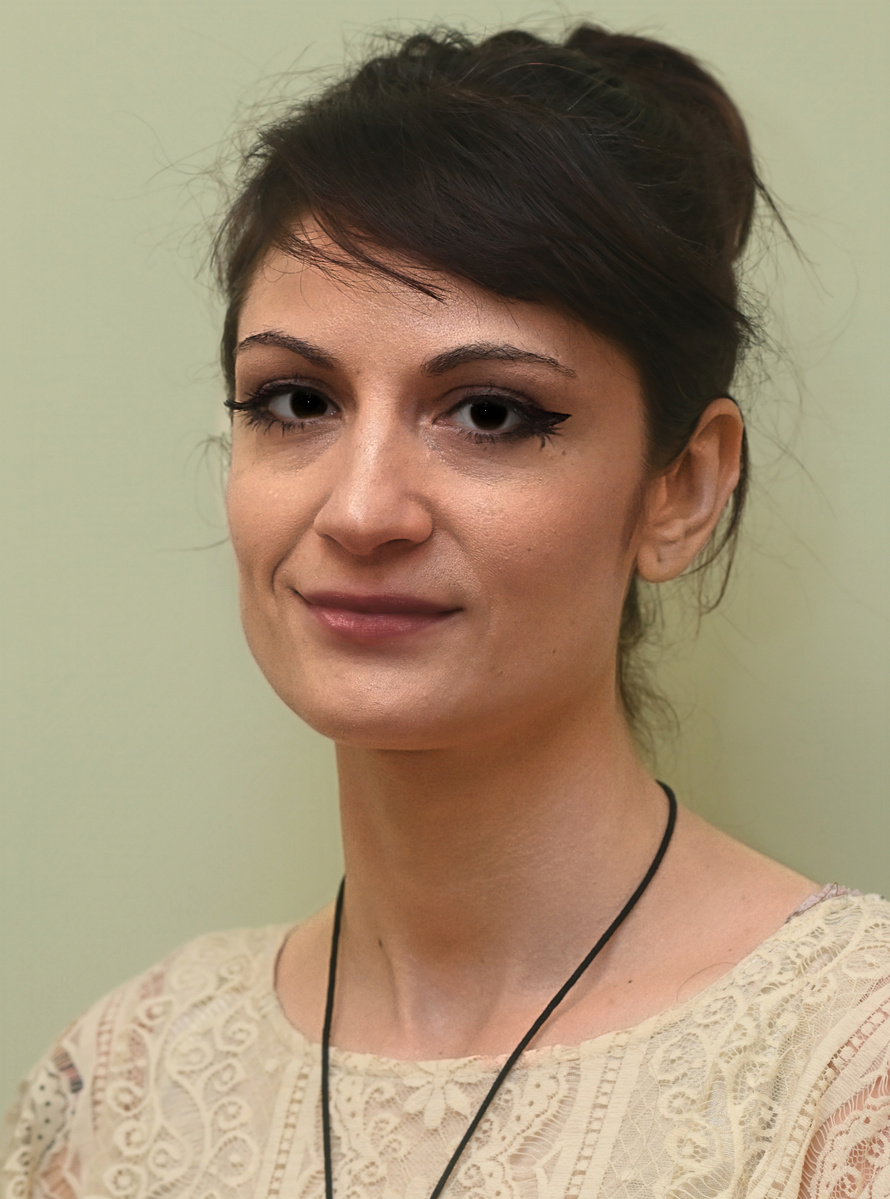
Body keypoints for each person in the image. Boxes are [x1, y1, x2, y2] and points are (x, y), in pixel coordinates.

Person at [3, 22, 889, 1199]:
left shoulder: (845, 1074)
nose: (362, 509)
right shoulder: (121, 1083)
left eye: (488, 413)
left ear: (680, 486)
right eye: (296, 400)